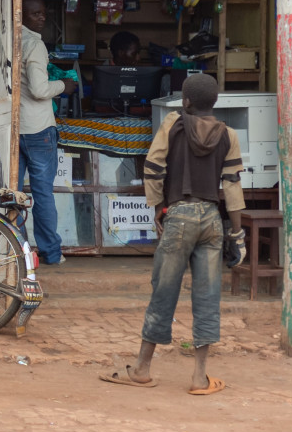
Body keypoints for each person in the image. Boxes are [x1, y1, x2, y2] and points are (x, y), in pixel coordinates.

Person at [103, 73, 245, 395]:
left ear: (186, 101)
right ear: (216, 102)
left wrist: (157, 207)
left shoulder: (173, 124)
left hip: (178, 216)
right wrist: (237, 235)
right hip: (211, 220)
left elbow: (152, 167)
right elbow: (233, 188)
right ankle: (199, 377)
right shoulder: (229, 135)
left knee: (163, 293)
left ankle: (141, 368)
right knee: (207, 298)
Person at [19, 0, 76, 267]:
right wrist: (65, 85)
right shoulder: (34, 44)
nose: (42, 18)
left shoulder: (5, 38)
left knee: (12, 196)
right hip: (39, 129)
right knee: (42, 194)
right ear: (22, 14)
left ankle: (17, 251)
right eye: (35, 14)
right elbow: (41, 90)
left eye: (43, 13)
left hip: (13, 128)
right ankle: (51, 254)